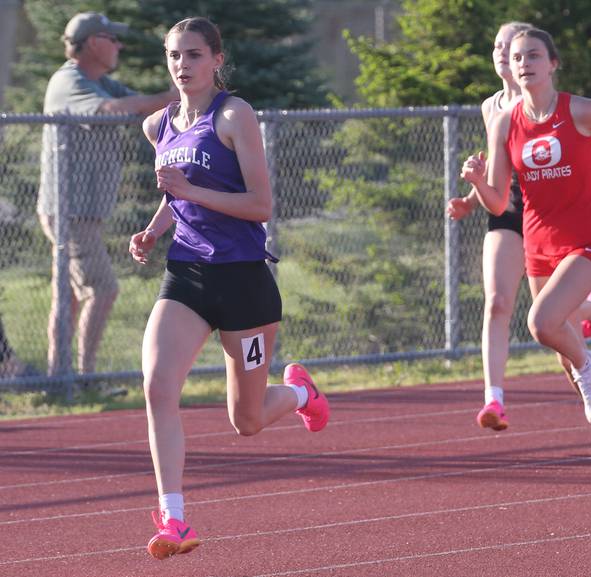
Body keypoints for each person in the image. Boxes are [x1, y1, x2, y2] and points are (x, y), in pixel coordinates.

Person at [129, 17, 330, 560]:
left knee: (246, 421)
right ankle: (175, 518)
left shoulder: (234, 115)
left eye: (194, 55)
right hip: (187, 274)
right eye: (174, 56)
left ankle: (301, 394)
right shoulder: (159, 126)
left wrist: (189, 189)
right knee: (157, 386)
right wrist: (154, 228)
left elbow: (260, 206)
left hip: (243, 280)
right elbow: (178, 197)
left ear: (217, 59)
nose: (182, 65)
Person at [461, 27, 591, 479]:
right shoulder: (505, 121)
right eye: (518, 56)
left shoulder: (581, 111)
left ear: (552, 64)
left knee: (542, 323)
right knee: (562, 350)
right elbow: (501, 203)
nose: (524, 63)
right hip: (538, 247)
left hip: (587, 241)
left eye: (534, 56)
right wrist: (476, 183)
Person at [447, 22, 591, 432]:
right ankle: (494, 399)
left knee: (551, 318)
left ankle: (590, 307)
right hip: (508, 208)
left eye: (513, 47)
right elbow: (497, 168)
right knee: (498, 301)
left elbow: (577, 142)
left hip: (553, 212)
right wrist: (470, 198)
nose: (505, 54)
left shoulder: (546, 96)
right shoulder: (492, 108)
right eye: (498, 46)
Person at [37, 12, 178, 385]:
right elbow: (114, 111)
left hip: (80, 211)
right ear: (93, 42)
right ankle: (83, 378)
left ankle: (59, 379)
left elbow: (141, 104)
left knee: (67, 297)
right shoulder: (68, 80)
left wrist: (178, 99)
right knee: (103, 288)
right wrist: (172, 94)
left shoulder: (101, 82)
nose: (118, 45)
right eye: (111, 39)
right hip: (68, 211)